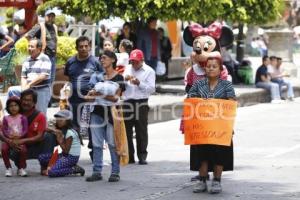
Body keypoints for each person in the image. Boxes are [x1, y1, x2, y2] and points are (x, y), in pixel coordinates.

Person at [188, 56, 236, 194]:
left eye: (214, 66)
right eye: (208, 66)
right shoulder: (198, 84)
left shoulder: (226, 85)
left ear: (220, 69)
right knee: (201, 153)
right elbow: (190, 99)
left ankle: (216, 180)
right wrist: (201, 101)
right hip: (202, 127)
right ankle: (202, 180)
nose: (210, 68)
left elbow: (232, 102)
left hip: (220, 127)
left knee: (219, 153)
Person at [85, 50, 125, 182]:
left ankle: (115, 172)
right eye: (101, 58)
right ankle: (97, 171)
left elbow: (115, 98)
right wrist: (92, 95)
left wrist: (99, 94)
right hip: (96, 112)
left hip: (112, 114)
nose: (102, 60)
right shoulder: (97, 77)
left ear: (113, 60)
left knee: (113, 143)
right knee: (96, 144)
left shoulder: (119, 78)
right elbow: (89, 97)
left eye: (104, 58)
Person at [0, 89, 56, 175]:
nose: (25, 102)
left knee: (49, 136)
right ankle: (19, 165)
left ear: (34, 102)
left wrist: (21, 141)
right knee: (6, 147)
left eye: (29, 100)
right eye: (24, 100)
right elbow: (1, 131)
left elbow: (39, 136)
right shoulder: (13, 111)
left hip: (32, 147)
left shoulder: (40, 116)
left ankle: (45, 167)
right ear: (20, 100)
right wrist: (9, 141)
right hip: (15, 147)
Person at [122, 49, 156, 165]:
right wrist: (125, 80)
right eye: (132, 62)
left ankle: (142, 156)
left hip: (141, 102)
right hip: (127, 102)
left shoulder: (149, 71)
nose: (134, 64)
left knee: (141, 130)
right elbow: (122, 84)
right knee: (126, 130)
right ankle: (129, 156)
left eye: (136, 62)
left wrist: (139, 83)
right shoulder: (127, 68)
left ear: (142, 60)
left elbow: (152, 89)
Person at [64, 36, 103, 129]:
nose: (84, 48)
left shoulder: (96, 62)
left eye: (86, 46)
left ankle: (92, 143)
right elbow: (67, 79)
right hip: (74, 100)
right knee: (74, 126)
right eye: (81, 46)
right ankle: (76, 143)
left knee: (91, 127)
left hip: (90, 100)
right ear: (76, 48)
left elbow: (102, 80)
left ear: (90, 47)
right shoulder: (70, 62)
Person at [7, 38, 52, 115]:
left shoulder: (45, 58)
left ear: (39, 48)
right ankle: (12, 116)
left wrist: (28, 85)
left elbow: (43, 76)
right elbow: (23, 76)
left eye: (32, 47)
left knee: (40, 114)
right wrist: (24, 87)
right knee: (12, 90)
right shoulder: (27, 60)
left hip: (41, 89)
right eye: (29, 46)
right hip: (29, 89)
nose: (29, 48)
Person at [38, 109, 85, 177]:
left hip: (70, 158)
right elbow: (46, 128)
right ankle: (56, 166)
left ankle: (74, 169)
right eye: (57, 119)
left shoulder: (70, 132)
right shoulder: (61, 129)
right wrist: (55, 131)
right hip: (63, 155)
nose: (58, 121)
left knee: (52, 172)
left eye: (61, 120)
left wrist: (59, 141)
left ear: (68, 121)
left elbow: (66, 151)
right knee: (41, 157)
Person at [25, 9, 57, 84]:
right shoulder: (40, 26)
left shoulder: (54, 27)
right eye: (49, 16)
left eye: (52, 16)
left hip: (53, 56)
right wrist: (34, 47)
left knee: (51, 80)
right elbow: (27, 36)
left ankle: (48, 95)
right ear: (45, 17)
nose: (50, 18)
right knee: (44, 80)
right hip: (43, 56)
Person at [1, 97, 28, 177]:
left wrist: (20, 136)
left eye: (15, 105)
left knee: (23, 150)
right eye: (11, 106)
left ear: (19, 106)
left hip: (20, 140)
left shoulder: (23, 118)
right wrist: (9, 136)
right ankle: (8, 168)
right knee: (4, 149)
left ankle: (21, 168)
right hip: (9, 140)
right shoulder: (6, 118)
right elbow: (4, 130)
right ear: (8, 108)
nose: (13, 107)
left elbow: (25, 130)